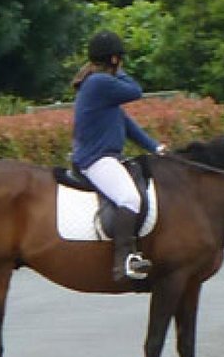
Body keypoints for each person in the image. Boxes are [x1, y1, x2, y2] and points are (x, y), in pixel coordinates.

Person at [71, 30, 166, 281]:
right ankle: (123, 260)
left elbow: (125, 123)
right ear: (114, 59)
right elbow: (136, 91)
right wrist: (119, 72)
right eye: (119, 59)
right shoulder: (99, 83)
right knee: (129, 199)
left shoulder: (99, 85)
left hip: (106, 156)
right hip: (96, 159)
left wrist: (155, 147)